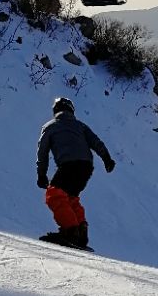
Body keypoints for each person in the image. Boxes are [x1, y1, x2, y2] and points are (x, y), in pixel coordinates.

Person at [36, 97, 115, 249]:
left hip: (68, 164)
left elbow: (42, 153)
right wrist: (107, 158)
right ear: (71, 110)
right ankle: (81, 233)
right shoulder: (80, 126)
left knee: (54, 195)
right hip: (86, 166)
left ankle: (71, 231)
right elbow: (95, 141)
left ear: (55, 111)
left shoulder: (50, 127)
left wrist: (41, 175)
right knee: (70, 197)